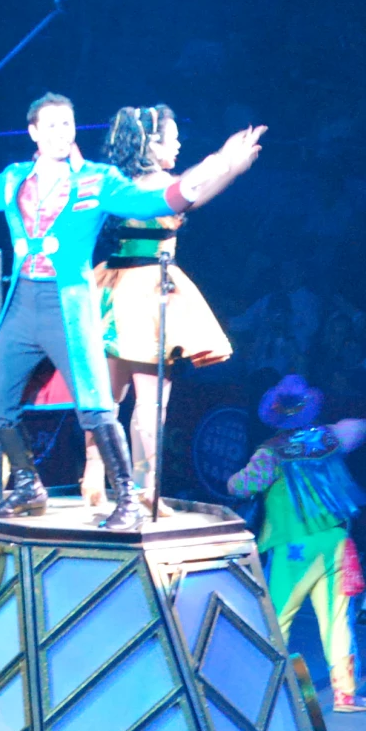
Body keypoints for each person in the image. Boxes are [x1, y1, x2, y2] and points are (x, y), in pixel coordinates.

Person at [0, 93, 263, 529]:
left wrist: (222, 164)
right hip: (22, 304)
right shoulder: (15, 179)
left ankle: (128, 497)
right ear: (33, 132)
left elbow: (158, 202)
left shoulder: (97, 180)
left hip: (67, 307)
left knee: (95, 404)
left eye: (66, 125)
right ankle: (28, 485)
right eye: (49, 126)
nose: (59, 134)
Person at [83, 104, 237, 522]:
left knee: (107, 399)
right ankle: (144, 488)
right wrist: (230, 164)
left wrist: (227, 164)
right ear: (152, 144)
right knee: (151, 404)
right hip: (148, 291)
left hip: (109, 287)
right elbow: (196, 191)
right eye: (172, 137)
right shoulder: (162, 184)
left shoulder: (116, 183)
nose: (179, 143)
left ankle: (94, 476)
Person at [224, 377, 366, 711]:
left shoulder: (270, 452)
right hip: (334, 542)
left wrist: (231, 480)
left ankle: (266, 687)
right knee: (337, 620)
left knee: (278, 617)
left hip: (294, 546)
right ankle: (345, 694)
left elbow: (246, 485)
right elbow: (357, 430)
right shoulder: (326, 440)